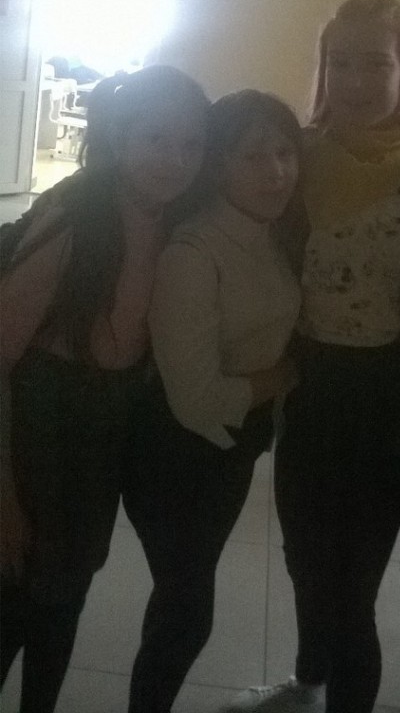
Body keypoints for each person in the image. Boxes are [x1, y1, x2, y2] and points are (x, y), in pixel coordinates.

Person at [224, 0, 400, 713]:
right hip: (306, 388)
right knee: (305, 563)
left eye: (376, 64)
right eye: (341, 62)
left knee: (354, 589)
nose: (355, 80)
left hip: (388, 405)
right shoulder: (295, 160)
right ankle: (308, 681)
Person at [0, 65, 209, 713]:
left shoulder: (177, 224)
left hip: (103, 436)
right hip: (37, 429)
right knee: (11, 603)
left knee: (65, 600)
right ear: (120, 138)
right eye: (156, 139)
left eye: (191, 144)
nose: (174, 160)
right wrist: (3, 498)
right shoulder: (74, 221)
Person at [122, 89, 303, 713]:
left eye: (285, 153)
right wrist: (285, 375)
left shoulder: (273, 232)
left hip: (231, 450)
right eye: (253, 156)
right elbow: (198, 401)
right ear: (218, 166)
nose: (276, 172)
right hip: (173, 457)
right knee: (186, 611)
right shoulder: (193, 254)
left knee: (183, 600)